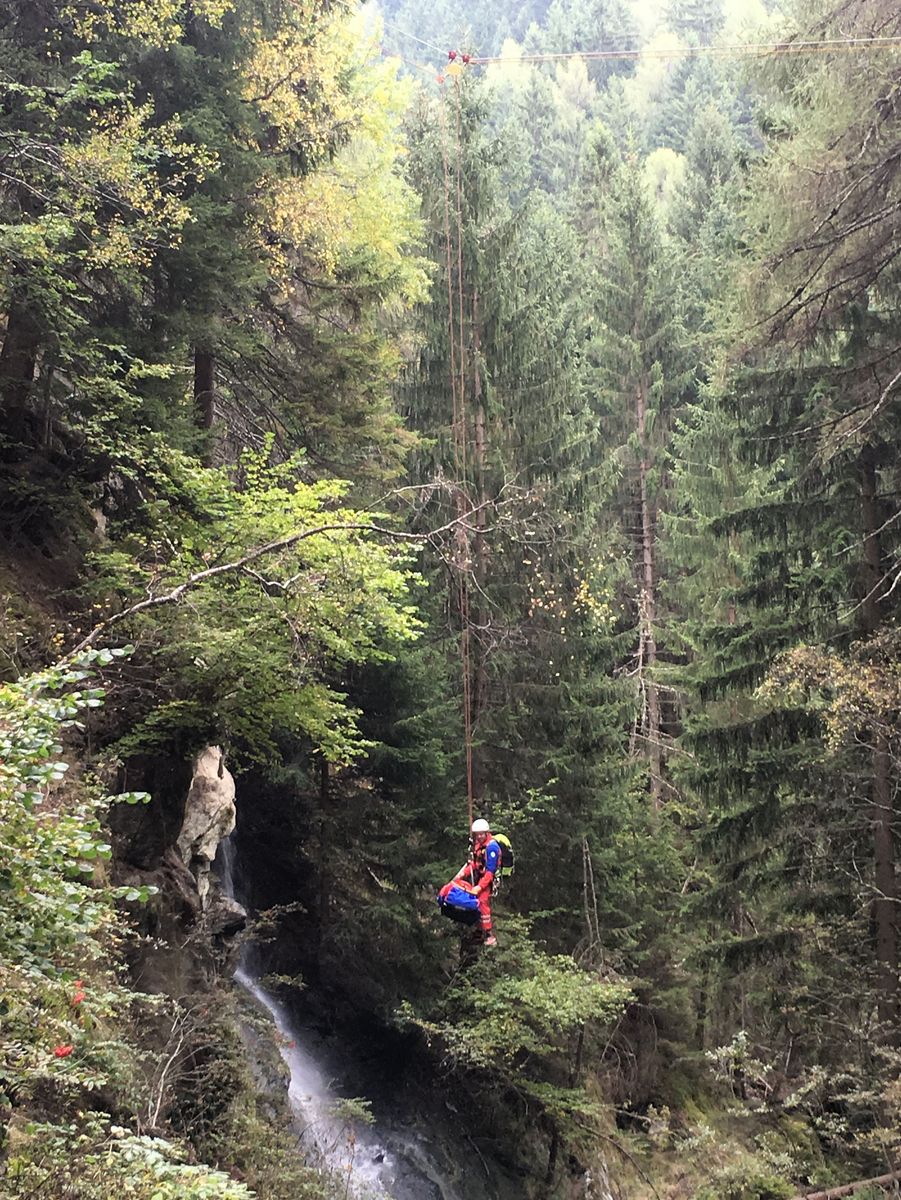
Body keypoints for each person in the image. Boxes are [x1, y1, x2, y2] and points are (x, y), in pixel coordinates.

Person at [441, 818, 500, 946]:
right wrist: (464, 873)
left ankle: (489, 934)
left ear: (486, 833)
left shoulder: (492, 848)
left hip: (488, 879)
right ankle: (478, 931)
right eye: (477, 834)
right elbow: (474, 863)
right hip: (479, 876)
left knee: (482, 902)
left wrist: (479, 887)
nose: (479, 837)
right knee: (471, 899)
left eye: (481, 834)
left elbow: (490, 872)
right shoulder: (478, 845)